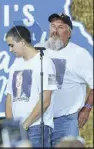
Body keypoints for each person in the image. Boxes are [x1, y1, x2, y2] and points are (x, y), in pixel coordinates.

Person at [35, 13, 93, 147]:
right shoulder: (38, 49)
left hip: (65, 121)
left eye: (60, 27)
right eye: (53, 26)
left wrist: (87, 108)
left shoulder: (80, 54)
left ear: (69, 33)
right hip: (39, 120)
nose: (55, 31)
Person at [5, 25, 58, 147]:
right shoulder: (16, 63)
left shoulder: (45, 63)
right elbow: (9, 98)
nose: (10, 50)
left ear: (22, 42)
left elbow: (45, 101)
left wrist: (25, 125)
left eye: (11, 45)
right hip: (17, 130)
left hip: (37, 128)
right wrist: (11, 125)